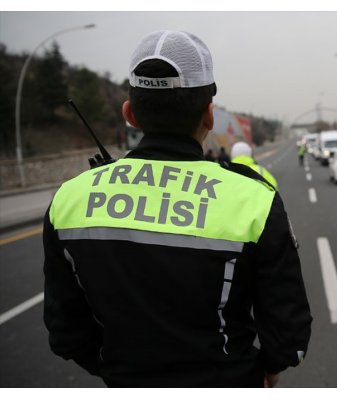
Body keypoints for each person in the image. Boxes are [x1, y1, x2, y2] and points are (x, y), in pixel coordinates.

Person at [42, 30, 311, 388]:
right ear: (209, 114)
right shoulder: (254, 200)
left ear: (129, 114)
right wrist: (265, 369)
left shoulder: (69, 200)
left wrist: (118, 371)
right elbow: (288, 335)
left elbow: (66, 333)